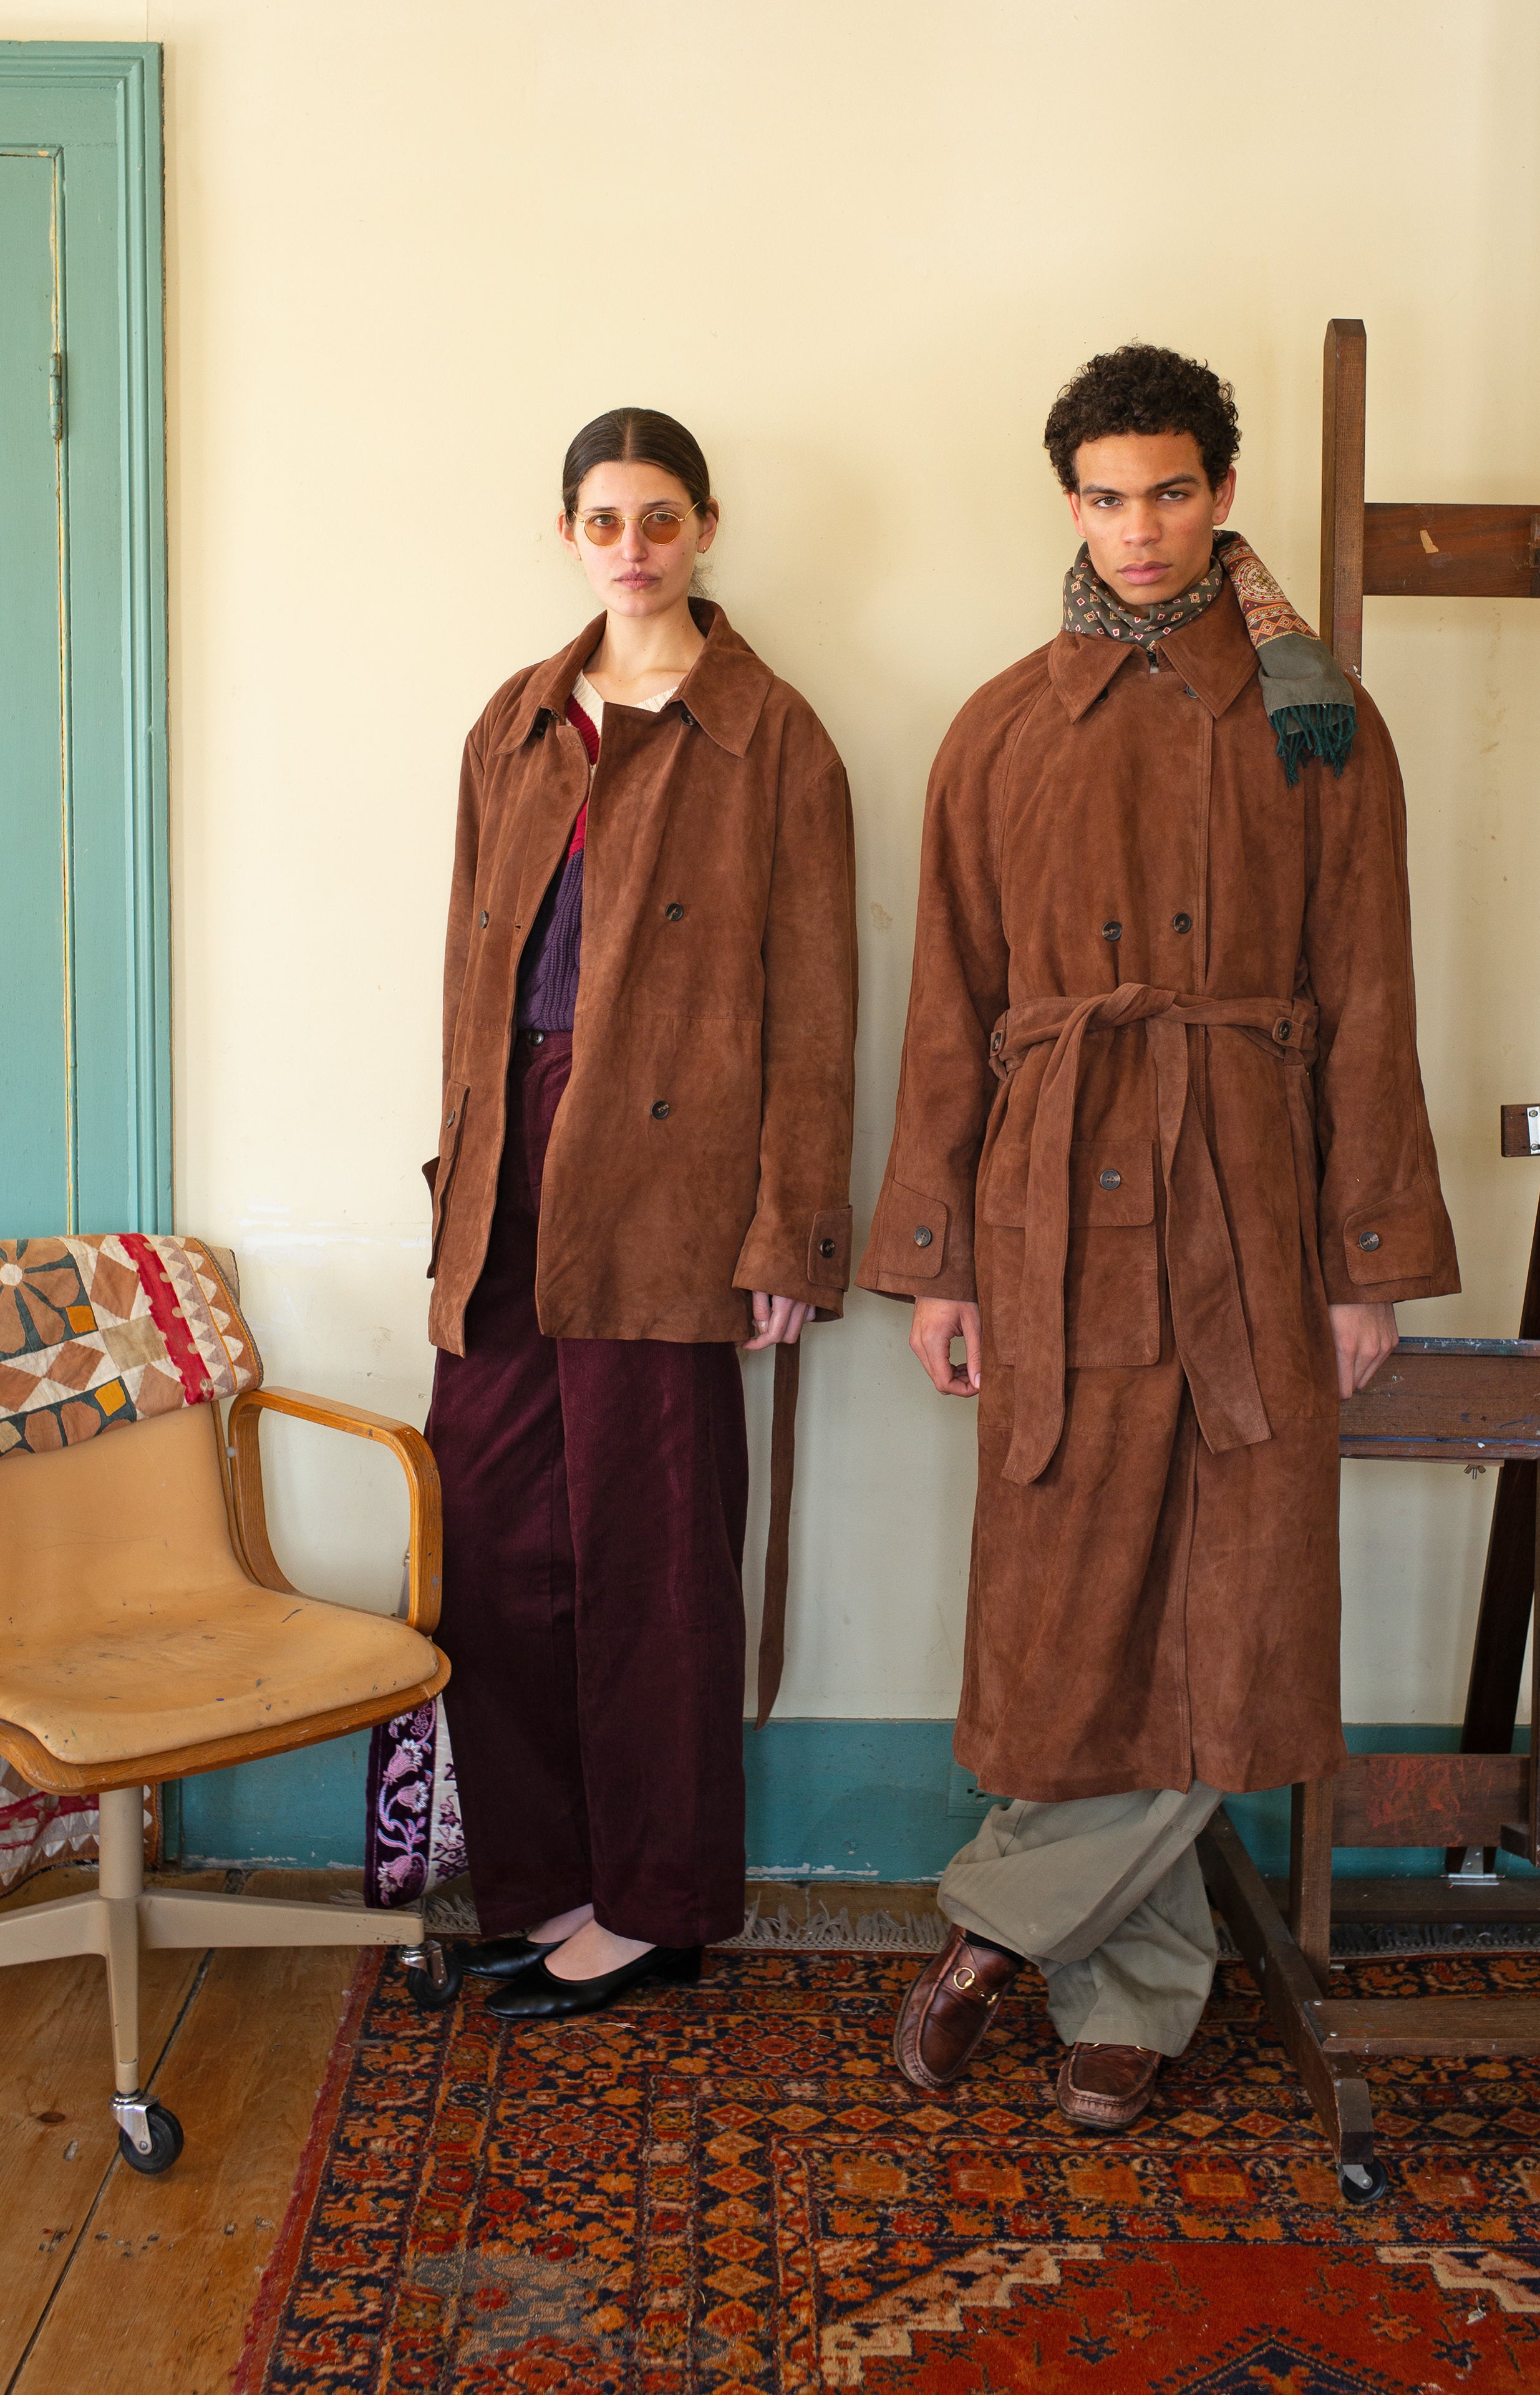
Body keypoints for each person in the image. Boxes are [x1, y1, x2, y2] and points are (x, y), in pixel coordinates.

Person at [859, 344, 1457, 2129]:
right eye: (1108, 496)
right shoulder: (994, 729)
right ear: (1069, 505)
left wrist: (1365, 1257)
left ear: (1220, 494)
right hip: (1050, 1207)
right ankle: (1109, 1967)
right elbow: (949, 1008)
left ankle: (1011, 1945)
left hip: (1252, 1203)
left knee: (1232, 1602)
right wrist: (943, 1258)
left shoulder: (1315, 718)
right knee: (1072, 1610)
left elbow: (1370, 991)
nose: (1140, 528)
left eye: (1173, 491)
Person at [425, 407, 856, 2020]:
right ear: (569, 536)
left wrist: (791, 1234)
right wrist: (459, 1181)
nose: (633, 545)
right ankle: (543, 1884)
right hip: (513, 1167)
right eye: (604, 518)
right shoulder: (517, 723)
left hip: (677, 1180)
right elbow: (470, 981)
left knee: (656, 1549)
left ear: (706, 526)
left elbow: (816, 1005)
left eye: (660, 515)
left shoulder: (773, 736)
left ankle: (659, 1905)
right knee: (497, 1528)